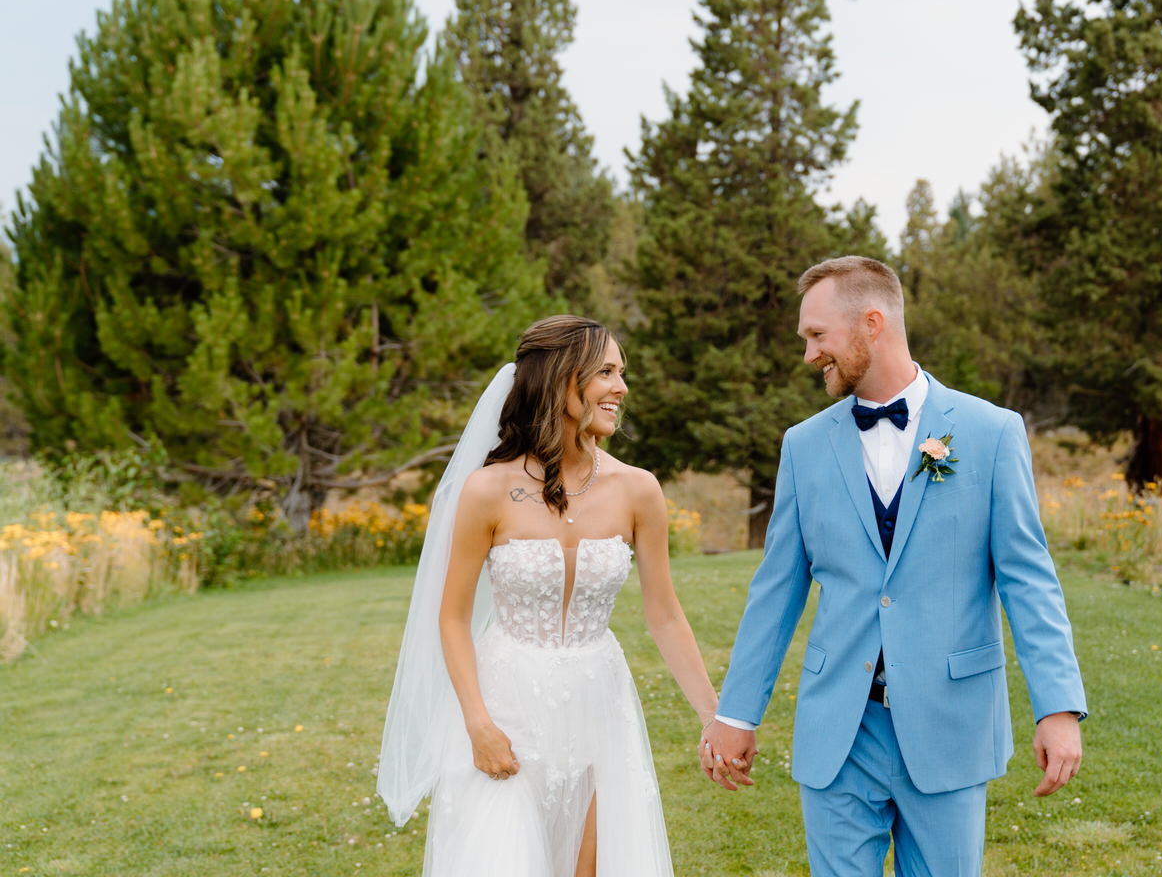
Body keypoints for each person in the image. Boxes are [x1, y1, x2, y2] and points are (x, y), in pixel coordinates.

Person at [700, 256, 1087, 877]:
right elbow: (776, 591)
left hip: (949, 723)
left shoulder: (991, 433)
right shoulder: (803, 446)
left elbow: (1028, 578)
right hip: (840, 730)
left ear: (871, 323)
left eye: (817, 336)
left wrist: (1058, 707)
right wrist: (736, 713)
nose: (808, 355)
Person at [378, 315, 719, 877]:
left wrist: (714, 716)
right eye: (606, 372)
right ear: (563, 379)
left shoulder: (638, 489)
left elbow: (664, 614)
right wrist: (477, 724)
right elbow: (452, 617)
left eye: (622, 372)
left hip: (599, 705)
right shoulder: (489, 489)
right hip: (505, 705)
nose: (622, 387)